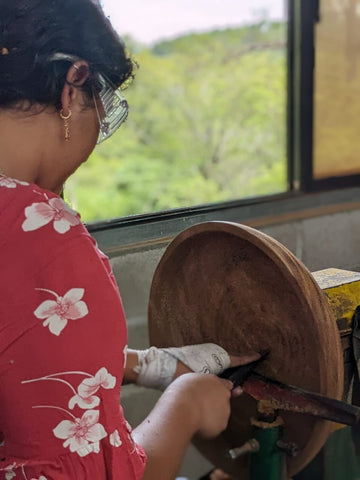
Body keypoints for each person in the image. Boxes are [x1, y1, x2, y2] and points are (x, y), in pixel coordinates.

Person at [0, 1, 255, 479]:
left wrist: (147, 365)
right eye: (104, 109)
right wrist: (184, 408)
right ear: (72, 87)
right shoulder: (44, 234)